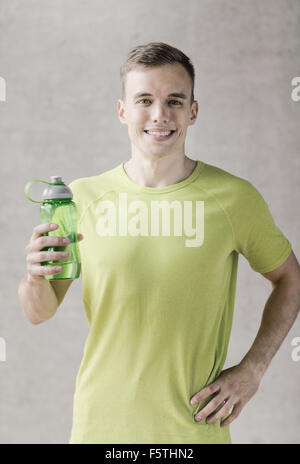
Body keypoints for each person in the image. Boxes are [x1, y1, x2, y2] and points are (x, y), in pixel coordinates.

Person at [18, 42, 300, 444]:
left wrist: (253, 369)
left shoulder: (234, 198)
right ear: (122, 111)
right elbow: (37, 312)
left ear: (193, 111)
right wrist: (34, 277)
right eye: (145, 100)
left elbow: (290, 278)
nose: (160, 115)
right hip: (101, 431)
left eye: (174, 101)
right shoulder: (80, 199)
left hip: (194, 433)